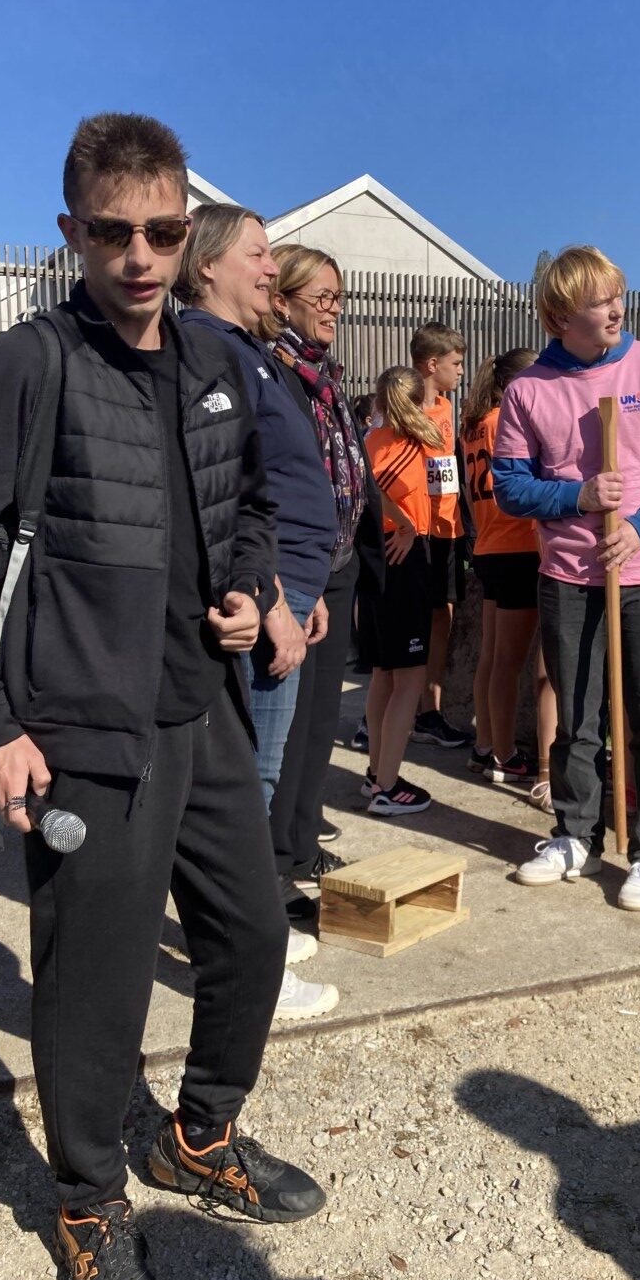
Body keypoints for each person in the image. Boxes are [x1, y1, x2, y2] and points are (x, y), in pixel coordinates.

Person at [0, 113, 324, 1280]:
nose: (139, 256)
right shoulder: (28, 367)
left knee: (252, 930)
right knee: (94, 984)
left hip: (200, 707)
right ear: (72, 232)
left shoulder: (214, 356)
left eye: (160, 231)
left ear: (185, 231)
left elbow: (252, 501)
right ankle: (88, 1203)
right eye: (112, 232)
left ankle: (198, 1134)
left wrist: (249, 585)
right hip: (81, 730)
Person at [493, 245, 640, 910]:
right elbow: (509, 487)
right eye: (599, 302)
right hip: (568, 574)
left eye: (618, 295)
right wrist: (577, 497)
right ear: (561, 317)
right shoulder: (529, 390)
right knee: (576, 715)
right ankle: (574, 835)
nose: (617, 309)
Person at [174, 206, 340, 1022]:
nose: (273, 267)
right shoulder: (208, 350)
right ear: (207, 265)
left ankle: (249, 934)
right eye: (259, 253)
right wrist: (272, 597)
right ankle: (247, 964)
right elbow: (223, 493)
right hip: (264, 594)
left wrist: (304, 590)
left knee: (253, 779)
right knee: (245, 784)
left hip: (292, 586)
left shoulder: (247, 351)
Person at [264, 244, 386, 893]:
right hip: (294, 570)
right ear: (281, 301)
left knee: (317, 724)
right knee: (285, 729)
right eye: (322, 298)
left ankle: (302, 842)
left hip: (337, 565)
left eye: (339, 297)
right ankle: (276, 862)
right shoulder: (271, 370)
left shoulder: (325, 374)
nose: (334, 309)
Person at [459, 348, 550, 784]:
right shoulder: (506, 422)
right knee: (509, 663)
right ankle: (505, 754)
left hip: (489, 544)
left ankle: (485, 746)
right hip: (517, 545)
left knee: (493, 657)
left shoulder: (474, 424)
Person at [360, 365, 440, 814]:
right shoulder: (414, 441)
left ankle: (376, 774)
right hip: (403, 558)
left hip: (376, 557)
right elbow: (378, 491)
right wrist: (408, 523)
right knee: (409, 677)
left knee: (383, 674)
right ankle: (387, 787)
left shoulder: (369, 439)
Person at [408, 322, 472, 751]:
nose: (461, 371)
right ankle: (403, 710)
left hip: (449, 527)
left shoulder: (448, 408)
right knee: (415, 619)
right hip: (417, 530)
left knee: (443, 616)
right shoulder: (404, 408)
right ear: (432, 364)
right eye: (456, 363)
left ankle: (430, 709)